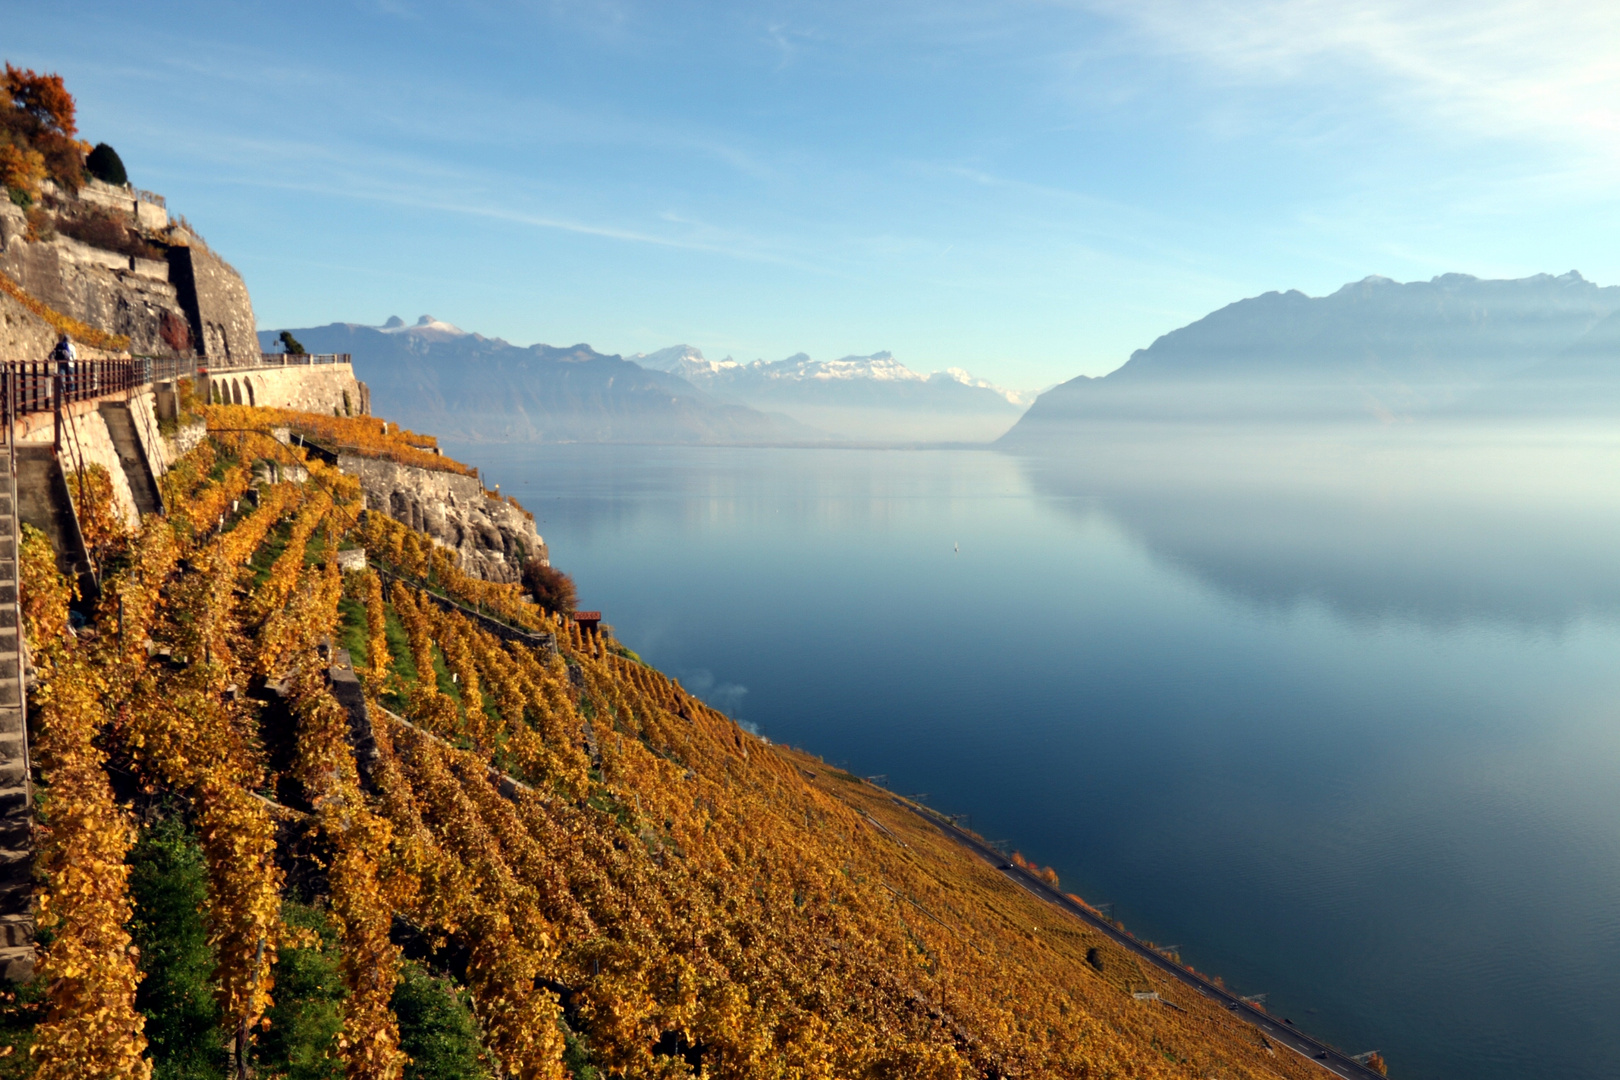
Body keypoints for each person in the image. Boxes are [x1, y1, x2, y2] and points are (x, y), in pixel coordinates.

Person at [50, 334, 75, 399]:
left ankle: (62, 390)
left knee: (62, 375)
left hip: (60, 362)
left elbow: (53, 352)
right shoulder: (72, 346)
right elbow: (74, 357)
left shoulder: (59, 345)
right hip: (69, 363)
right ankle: (71, 390)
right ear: (69, 340)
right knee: (70, 376)